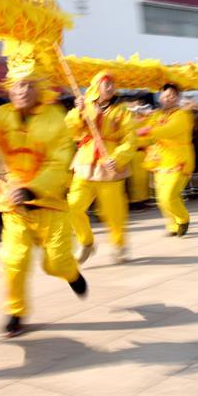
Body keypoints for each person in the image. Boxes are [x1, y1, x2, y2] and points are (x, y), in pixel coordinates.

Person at [0, 54, 87, 337]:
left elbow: (59, 164)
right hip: (13, 206)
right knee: (13, 260)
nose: (23, 91)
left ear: (39, 88)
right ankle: (14, 312)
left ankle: (71, 274)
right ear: (9, 88)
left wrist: (31, 189)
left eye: (29, 85)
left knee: (56, 262)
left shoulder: (55, 119)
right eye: (18, 85)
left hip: (49, 204)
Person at [66, 70, 137, 264]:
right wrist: (77, 112)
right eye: (107, 83)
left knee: (113, 212)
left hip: (109, 166)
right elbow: (71, 129)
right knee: (72, 206)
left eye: (113, 84)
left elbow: (130, 138)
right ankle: (86, 241)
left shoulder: (122, 111)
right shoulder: (85, 106)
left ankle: (119, 244)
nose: (111, 87)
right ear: (97, 86)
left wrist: (119, 156)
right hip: (85, 164)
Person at [138, 84, 194, 236]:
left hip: (179, 160)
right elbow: (143, 128)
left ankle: (183, 219)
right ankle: (173, 226)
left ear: (177, 98)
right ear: (160, 97)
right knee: (161, 199)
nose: (167, 98)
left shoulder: (182, 115)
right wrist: (139, 122)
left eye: (171, 95)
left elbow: (167, 131)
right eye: (164, 95)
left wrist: (147, 130)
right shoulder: (157, 115)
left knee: (168, 195)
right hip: (160, 160)